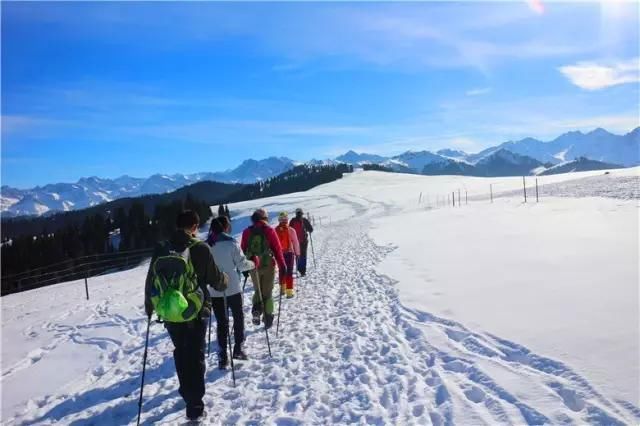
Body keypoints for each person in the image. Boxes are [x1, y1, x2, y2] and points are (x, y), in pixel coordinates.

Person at [144, 210, 228, 422]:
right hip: (195, 311)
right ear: (194, 227)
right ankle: (195, 405)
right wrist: (225, 280)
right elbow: (216, 279)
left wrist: (149, 307)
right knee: (196, 354)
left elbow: (150, 280)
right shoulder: (200, 248)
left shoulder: (162, 248)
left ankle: (186, 391)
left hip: (170, 312)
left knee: (181, 352)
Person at [207, 216, 255, 369]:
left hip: (215, 290)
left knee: (222, 322)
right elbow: (242, 265)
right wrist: (254, 263)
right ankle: (238, 348)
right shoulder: (231, 243)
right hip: (233, 287)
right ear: (225, 227)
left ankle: (222, 355)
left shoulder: (206, 245)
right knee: (238, 317)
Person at [241, 208, 286, 329]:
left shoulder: (246, 232)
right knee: (268, 293)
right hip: (268, 266)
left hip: (253, 267)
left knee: (258, 291)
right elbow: (277, 250)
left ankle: (256, 310)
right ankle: (268, 317)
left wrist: (244, 269)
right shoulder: (270, 231)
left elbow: (243, 250)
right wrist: (283, 266)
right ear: (265, 218)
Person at [275, 211, 300, 298]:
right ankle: (289, 292)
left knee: (282, 271)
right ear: (287, 219)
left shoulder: (275, 230)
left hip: (279, 254)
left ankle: (282, 289)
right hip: (289, 253)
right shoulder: (291, 230)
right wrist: (297, 253)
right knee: (289, 271)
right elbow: (296, 242)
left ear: (279, 220)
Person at [289, 208, 314, 276]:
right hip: (304, 241)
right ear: (302, 213)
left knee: (297, 255)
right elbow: (311, 229)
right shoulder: (304, 220)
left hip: (295, 241)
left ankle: (298, 268)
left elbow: (289, 230)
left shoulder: (292, 221)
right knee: (303, 255)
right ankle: (303, 271)